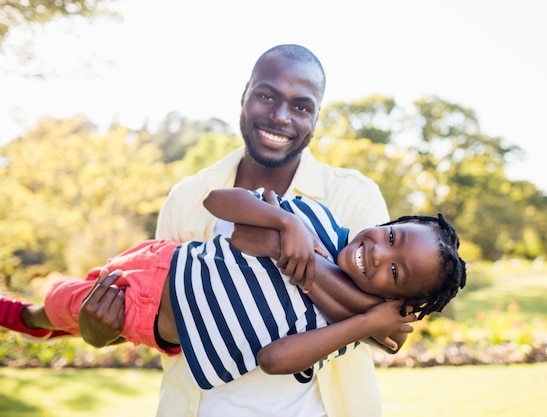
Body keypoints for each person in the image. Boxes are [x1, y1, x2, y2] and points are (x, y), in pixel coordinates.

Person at [76, 43, 395, 417]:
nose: (280, 116)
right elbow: (157, 312)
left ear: (316, 116)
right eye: (266, 96)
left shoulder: (353, 196)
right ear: (244, 94)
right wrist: (101, 332)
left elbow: (388, 328)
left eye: (301, 106)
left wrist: (275, 246)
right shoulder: (188, 197)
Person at [0, 187, 466, 390]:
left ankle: (26, 319)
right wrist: (286, 221)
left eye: (396, 273)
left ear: (397, 301)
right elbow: (226, 212)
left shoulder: (338, 329)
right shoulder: (319, 221)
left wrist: (363, 322)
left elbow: (272, 359)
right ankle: (31, 317)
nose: (380, 254)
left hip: (144, 314)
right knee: (60, 303)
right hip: (164, 261)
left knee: (69, 306)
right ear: (386, 224)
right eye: (391, 237)